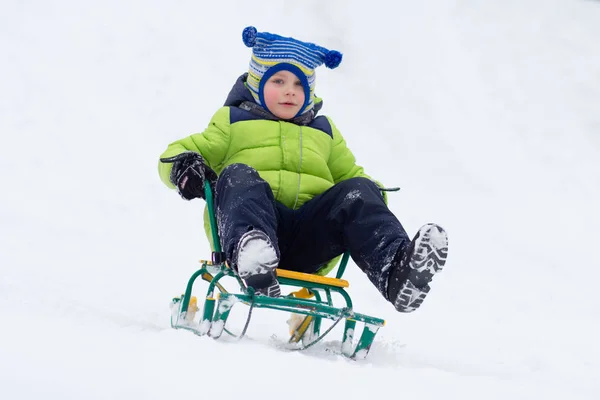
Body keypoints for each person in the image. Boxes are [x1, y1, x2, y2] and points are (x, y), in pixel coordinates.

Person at [158, 26, 448, 312]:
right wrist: (185, 168)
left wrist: (370, 198)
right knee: (237, 175)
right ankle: (254, 255)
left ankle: (396, 271)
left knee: (356, 191)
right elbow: (176, 153)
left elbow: (352, 175)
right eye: (278, 81)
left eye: (300, 85)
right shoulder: (232, 122)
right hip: (249, 233)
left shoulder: (324, 132)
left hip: (311, 239)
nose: (290, 92)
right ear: (257, 84)